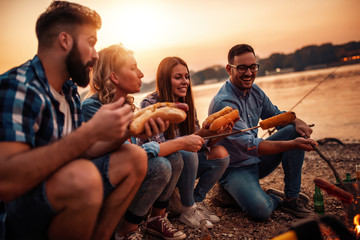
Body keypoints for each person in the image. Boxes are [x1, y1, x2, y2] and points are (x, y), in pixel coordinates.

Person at [0, 2, 160, 240]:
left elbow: (84, 150)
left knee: (135, 157)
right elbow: (6, 181)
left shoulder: (69, 90)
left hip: (61, 190)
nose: (95, 55)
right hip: (16, 214)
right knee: (82, 177)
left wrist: (124, 131)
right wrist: (90, 132)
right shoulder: (19, 87)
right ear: (65, 40)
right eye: (91, 43)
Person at [82, 44, 189, 240]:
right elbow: (128, 154)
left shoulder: (127, 107)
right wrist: (180, 142)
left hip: (128, 174)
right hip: (105, 182)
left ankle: (155, 221)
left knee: (175, 158)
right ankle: (126, 231)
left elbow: (137, 151)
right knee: (161, 166)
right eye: (133, 68)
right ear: (114, 77)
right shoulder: (92, 107)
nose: (140, 74)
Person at [208, 43, 319, 221]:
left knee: (293, 130)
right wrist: (293, 145)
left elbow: (275, 115)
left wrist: (297, 121)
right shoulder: (224, 103)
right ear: (229, 69)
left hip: (257, 161)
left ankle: (292, 198)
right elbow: (250, 145)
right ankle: (272, 198)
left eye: (253, 67)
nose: (249, 73)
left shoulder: (256, 91)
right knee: (261, 211)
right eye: (242, 68)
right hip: (234, 168)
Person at [139, 56, 234, 229]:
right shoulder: (150, 104)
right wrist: (194, 138)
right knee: (186, 151)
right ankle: (188, 208)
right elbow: (162, 147)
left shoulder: (186, 103)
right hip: (164, 167)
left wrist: (217, 135)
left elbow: (199, 144)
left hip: (188, 163)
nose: (185, 82)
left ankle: (196, 201)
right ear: (164, 80)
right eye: (178, 77)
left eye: (187, 77)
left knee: (221, 155)